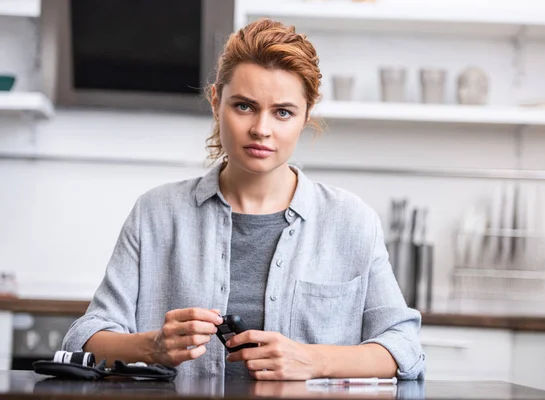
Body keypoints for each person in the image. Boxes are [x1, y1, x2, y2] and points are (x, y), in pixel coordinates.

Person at [62, 18, 425, 380]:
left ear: (305, 117)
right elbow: (83, 339)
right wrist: (152, 346)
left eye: (282, 112)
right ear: (216, 101)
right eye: (245, 106)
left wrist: (314, 360)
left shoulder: (352, 220)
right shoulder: (155, 213)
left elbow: (404, 346)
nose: (261, 129)